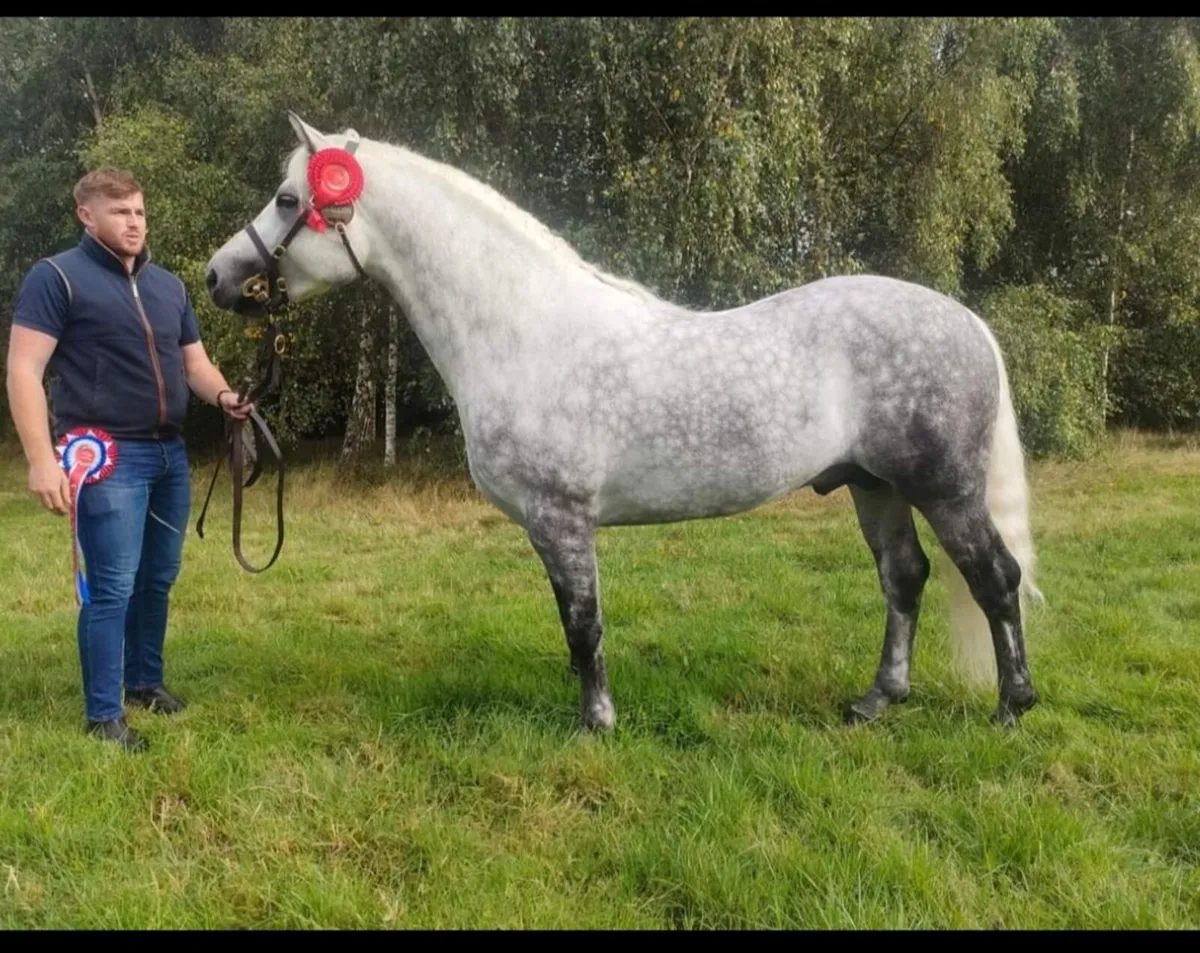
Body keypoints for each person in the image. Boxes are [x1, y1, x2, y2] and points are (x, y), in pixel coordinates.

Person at [5, 166, 254, 752]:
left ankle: (145, 682)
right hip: (106, 459)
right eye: (120, 212)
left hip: (169, 455)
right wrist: (42, 460)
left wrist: (222, 396)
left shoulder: (168, 286)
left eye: (140, 211)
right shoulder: (56, 278)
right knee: (113, 586)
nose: (135, 222)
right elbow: (23, 370)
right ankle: (103, 715)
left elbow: (194, 364)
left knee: (158, 580)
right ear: (86, 216)